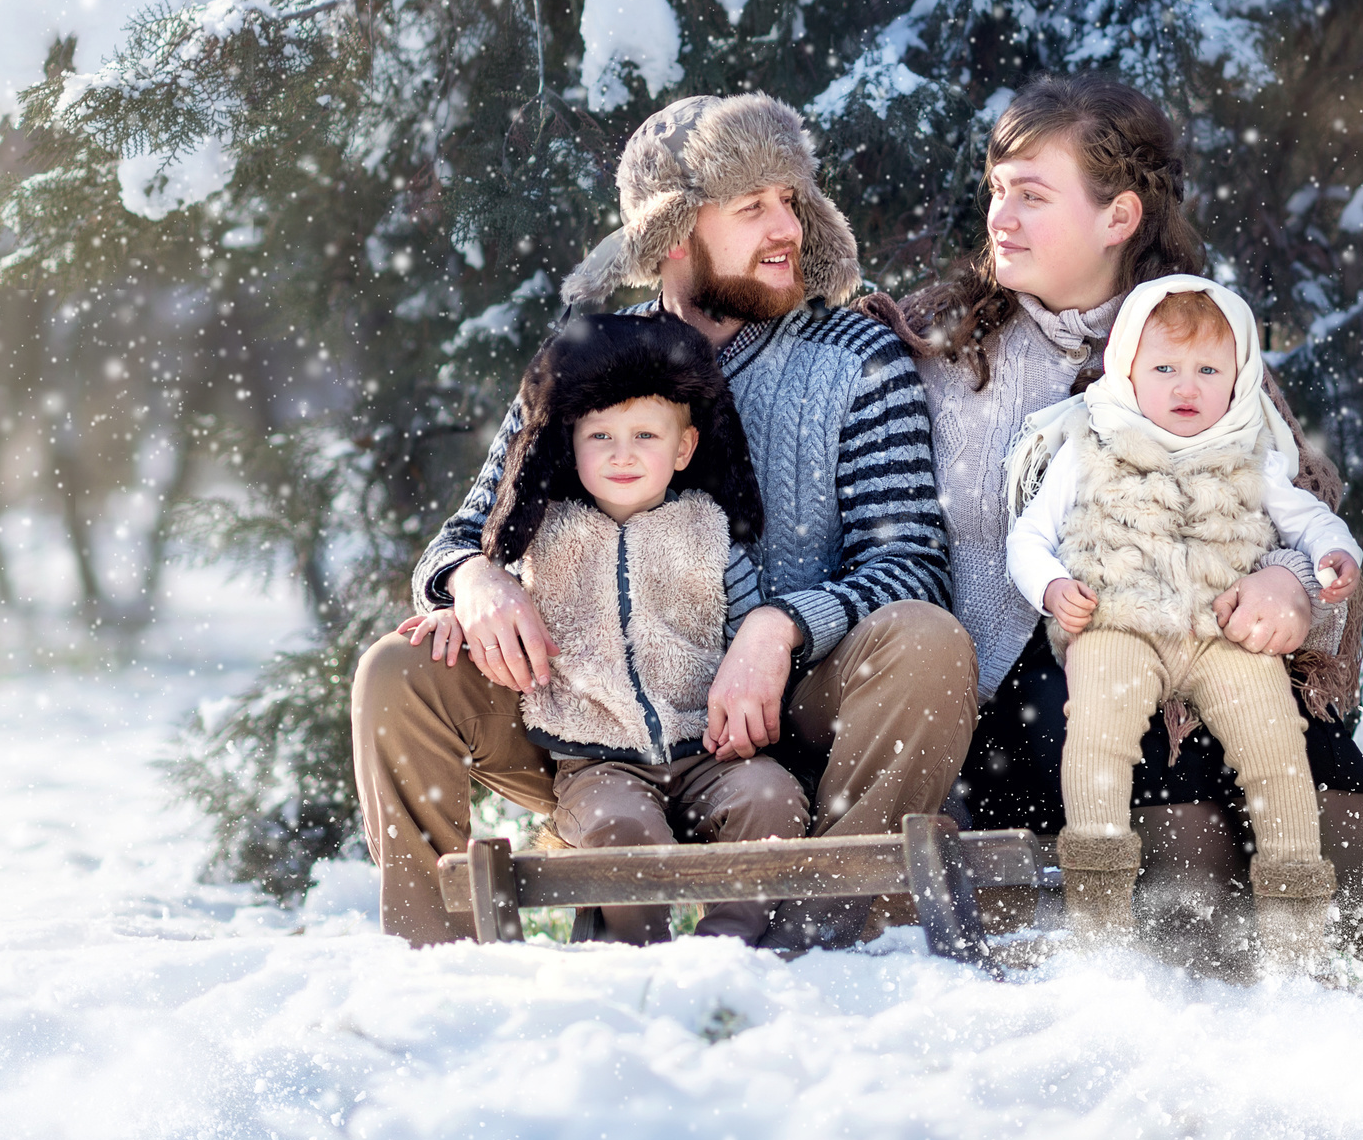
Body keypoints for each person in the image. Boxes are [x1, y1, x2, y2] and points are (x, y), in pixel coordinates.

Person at [887, 74, 1363, 1001]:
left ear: (1119, 214)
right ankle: (1214, 995)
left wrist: (1292, 589)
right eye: (996, 188)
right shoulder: (939, 346)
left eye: (1032, 194)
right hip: (1007, 719)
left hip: (1174, 673)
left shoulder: (1200, 346)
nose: (999, 216)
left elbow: (1294, 510)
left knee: (1250, 695)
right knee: (1147, 691)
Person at [354, 92, 974, 949]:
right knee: (400, 672)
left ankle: (825, 938)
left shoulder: (856, 358)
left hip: (787, 718)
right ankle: (442, 961)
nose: (784, 226)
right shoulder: (588, 361)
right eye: (751, 205)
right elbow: (463, 535)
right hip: (596, 720)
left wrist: (778, 625)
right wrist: (475, 579)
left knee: (929, 641)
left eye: (791, 200)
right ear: (674, 231)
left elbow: (910, 562)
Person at [402, 313, 807, 944]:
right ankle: (632, 953)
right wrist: (456, 610)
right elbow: (488, 587)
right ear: (572, 443)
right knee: (622, 832)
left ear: (684, 448)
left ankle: (729, 948)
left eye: (645, 434)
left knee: (772, 799)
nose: (622, 455)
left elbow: (748, 621)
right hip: (595, 760)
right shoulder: (541, 536)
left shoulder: (710, 532)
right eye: (601, 436)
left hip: (709, 751)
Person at [1004, 276, 1363, 967]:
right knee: (1099, 735)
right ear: (1128, 368)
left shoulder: (1251, 451)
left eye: (1207, 370)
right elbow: (1029, 537)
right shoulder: (1092, 440)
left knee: (1276, 747)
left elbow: (1308, 517)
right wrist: (1052, 588)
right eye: (1164, 368)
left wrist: (1333, 553)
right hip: (1119, 623)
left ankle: (1296, 929)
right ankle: (1100, 910)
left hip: (1220, 633)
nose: (1185, 386)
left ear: (1239, 379)